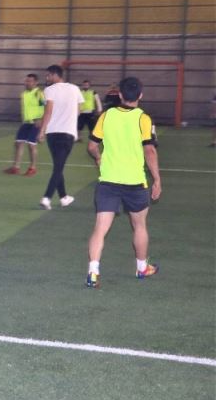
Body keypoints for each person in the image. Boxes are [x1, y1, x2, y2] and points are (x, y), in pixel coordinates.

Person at [85, 76, 161, 288]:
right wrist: (157, 179)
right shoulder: (143, 118)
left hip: (108, 180)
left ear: (119, 94)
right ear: (140, 95)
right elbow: (149, 150)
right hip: (135, 182)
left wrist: (98, 158)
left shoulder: (106, 115)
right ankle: (142, 267)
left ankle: (93, 272)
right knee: (139, 226)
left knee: (100, 228)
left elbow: (92, 146)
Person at [38, 64, 84, 210]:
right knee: (58, 167)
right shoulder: (75, 89)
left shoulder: (49, 90)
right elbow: (79, 111)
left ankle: (64, 197)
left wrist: (42, 131)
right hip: (67, 134)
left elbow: (48, 112)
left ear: (54, 75)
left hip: (52, 134)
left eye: (48, 75)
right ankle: (47, 198)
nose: (46, 78)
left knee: (58, 166)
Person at [3, 73, 44, 176]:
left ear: (36, 82)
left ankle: (32, 168)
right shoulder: (24, 93)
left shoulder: (39, 93)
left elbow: (45, 107)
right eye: (26, 81)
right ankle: (16, 168)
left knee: (31, 145)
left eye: (30, 81)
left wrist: (41, 122)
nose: (27, 83)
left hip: (36, 123)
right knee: (18, 143)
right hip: (26, 123)